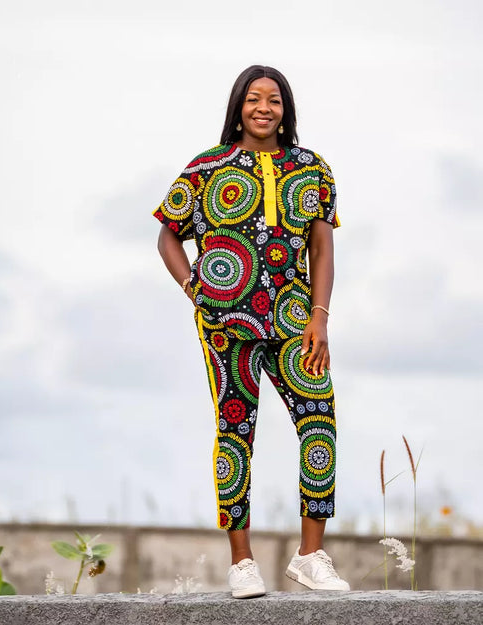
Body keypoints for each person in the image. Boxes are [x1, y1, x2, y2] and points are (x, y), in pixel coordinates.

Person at [154, 65, 350, 598]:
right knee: (236, 431)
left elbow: (322, 247)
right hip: (225, 321)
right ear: (238, 107)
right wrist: (195, 289)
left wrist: (320, 315)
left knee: (319, 422)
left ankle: (310, 555)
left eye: (274, 100)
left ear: (285, 111)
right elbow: (168, 236)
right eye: (254, 99)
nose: (264, 108)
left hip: (294, 318)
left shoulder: (312, 169)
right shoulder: (206, 168)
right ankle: (242, 562)